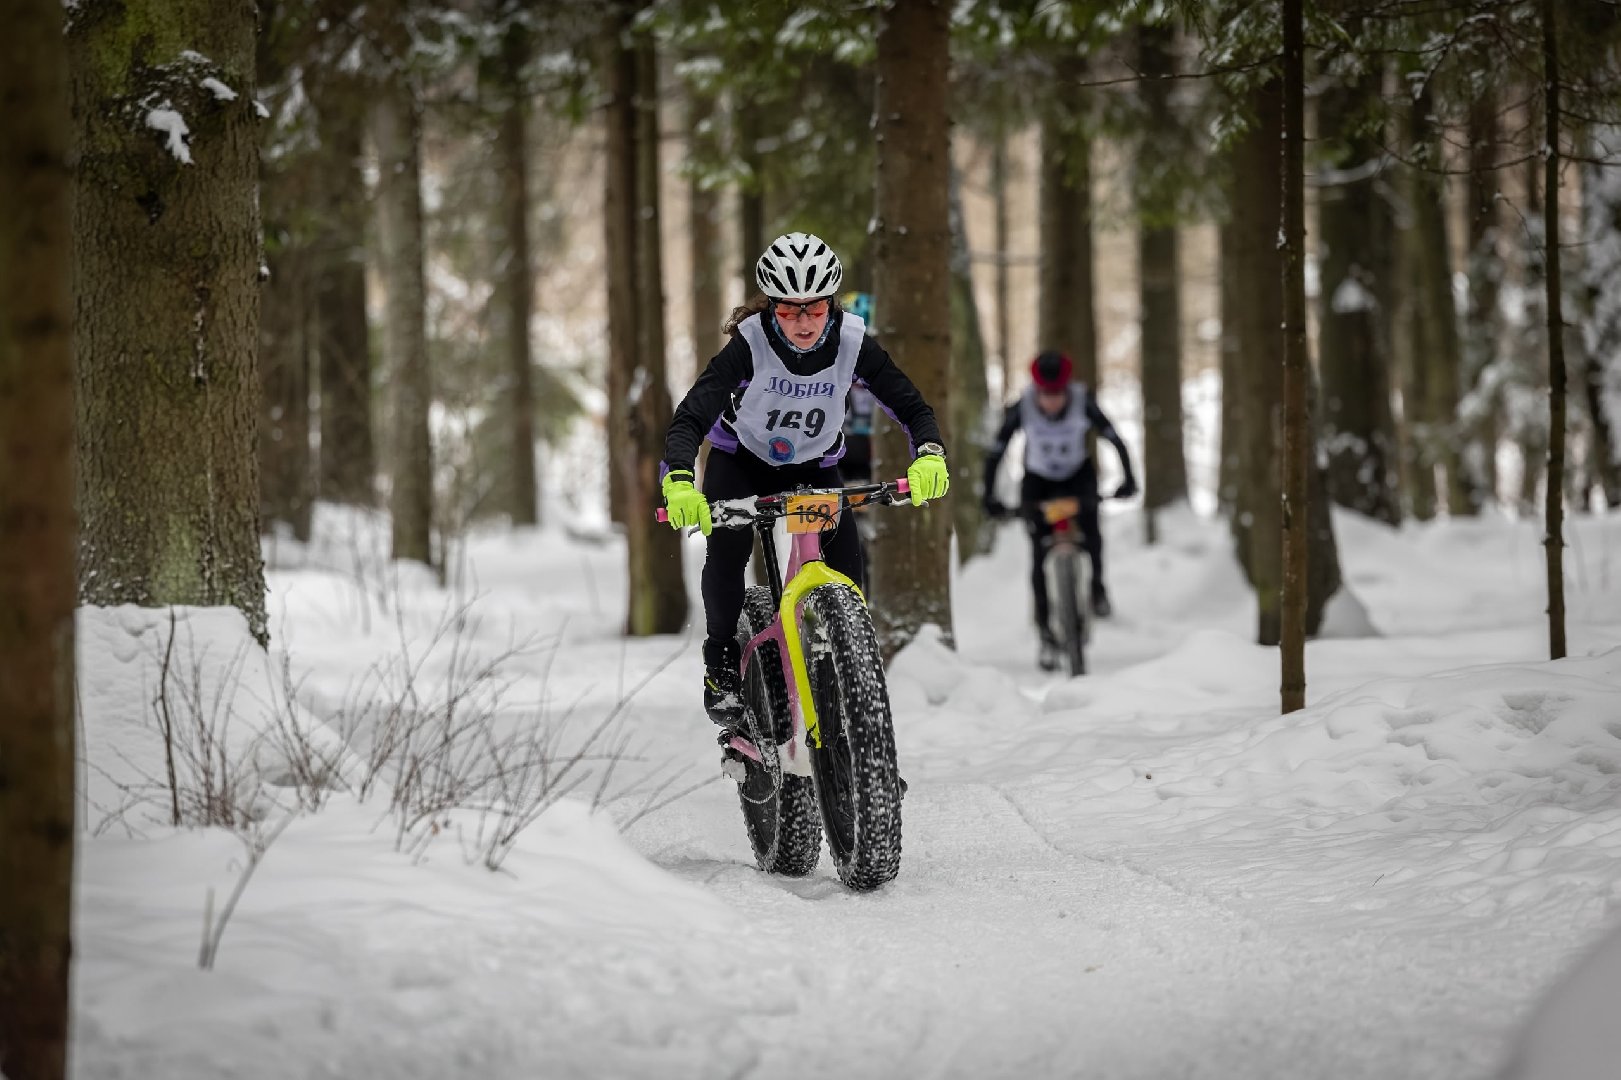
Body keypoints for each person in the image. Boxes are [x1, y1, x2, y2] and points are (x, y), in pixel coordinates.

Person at [660, 233, 949, 730]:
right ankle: (721, 658)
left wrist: (929, 454)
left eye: (815, 308)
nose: (803, 322)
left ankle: (847, 696)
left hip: (813, 466)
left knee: (847, 575)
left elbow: (910, 405)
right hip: (741, 460)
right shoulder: (750, 343)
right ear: (770, 306)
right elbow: (691, 416)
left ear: (831, 304)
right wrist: (680, 480)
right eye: (788, 310)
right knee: (728, 550)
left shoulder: (852, 342)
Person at [982, 350, 1137, 669]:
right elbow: (997, 451)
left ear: (1066, 389)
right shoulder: (1022, 407)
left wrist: (1129, 479)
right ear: (1037, 390)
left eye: (1057, 394)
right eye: (1046, 394)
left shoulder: (1083, 401)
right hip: (1038, 481)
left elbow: (1115, 438)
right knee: (1039, 558)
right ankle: (1046, 636)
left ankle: (1097, 588)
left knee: (1092, 535)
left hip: (1077, 477)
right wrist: (989, 496)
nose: (1052, 401)